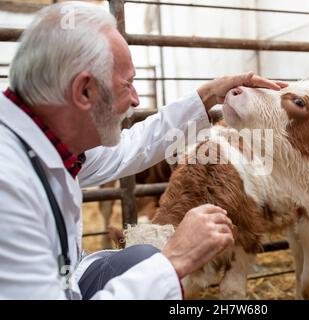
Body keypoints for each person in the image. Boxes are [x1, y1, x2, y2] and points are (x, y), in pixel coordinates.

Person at [0, 1, 287, 299]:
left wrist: (209, 94)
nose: (136, 100)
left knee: (142, 259)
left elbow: (130, 148)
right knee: (154, 265)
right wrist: (173, 261)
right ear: (84, 91)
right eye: (128, 84)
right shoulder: (8, 186)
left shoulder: (44, 139)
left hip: (70, 277)